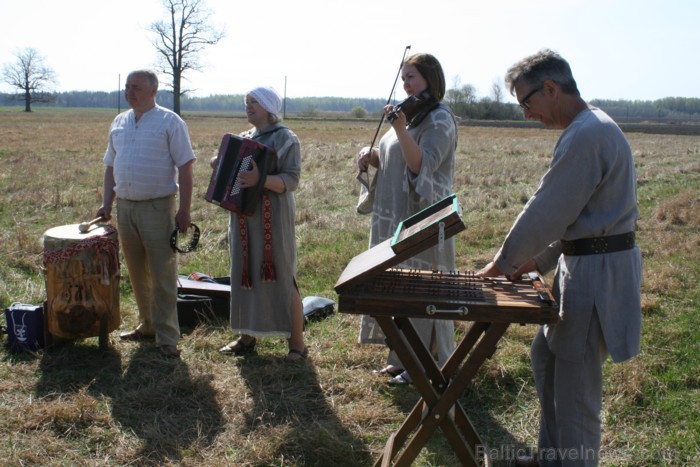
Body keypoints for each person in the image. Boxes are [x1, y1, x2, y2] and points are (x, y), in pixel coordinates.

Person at [477, 49, 642, 466]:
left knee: (575, 392)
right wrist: (537, 261)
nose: (527, 114)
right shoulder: (588, 128)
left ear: (550, 88)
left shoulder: (588, 133)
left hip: (596, 276)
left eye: (526, 102)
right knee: (546, 357)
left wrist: (502, 265)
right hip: (585, 266)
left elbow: (548, 209)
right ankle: (553, 459)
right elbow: (578, 215)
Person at [356, 53, 458, 385]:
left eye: (411, 76)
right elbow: (397, 156)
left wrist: (399, 129)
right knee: (397, 285)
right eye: (403, 78)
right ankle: (399, 357)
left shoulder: (439, 119)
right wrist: (373, 156)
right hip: (394, 218)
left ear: (430, 77)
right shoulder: (411, 116)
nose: (405, 84)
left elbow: (422, 165)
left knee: (420, 291)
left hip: (423, 222)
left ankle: (423, 364)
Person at [96, 69, 195, 358]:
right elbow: (111, 167)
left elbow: (186, 167)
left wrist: (185, 210)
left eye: (135, 87)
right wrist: (107, 203)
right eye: (127, 87)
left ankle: (167, 337)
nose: (129, 92)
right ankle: (148, 324)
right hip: (126, 207)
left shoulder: (170, 121)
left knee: (163, 273)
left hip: (158, 207)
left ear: (153, 91)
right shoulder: (119, 122)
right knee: (137, 272)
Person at [216, 86, 307, 362]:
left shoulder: (285, 138)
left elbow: (291, 180)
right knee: (245, 273)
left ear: (269, 106)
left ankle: (297, 345)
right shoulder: (243, 139)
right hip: (243, 219)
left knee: (280, 274)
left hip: (273, 219)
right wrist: (219, 163)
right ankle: (246, 337)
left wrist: (262, 180)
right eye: (246, 102)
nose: (248, 106)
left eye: (254, 102)